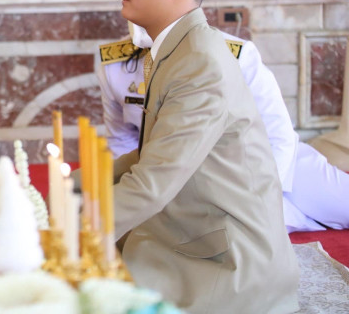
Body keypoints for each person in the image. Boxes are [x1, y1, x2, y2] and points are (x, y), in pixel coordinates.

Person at [113, 0, 299, 313]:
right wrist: (77, 183)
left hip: (228, 259)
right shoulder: (183, 46)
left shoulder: (199, 61)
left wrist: (70, 224)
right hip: (199, 225)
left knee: (83, 286)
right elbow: (153, 154)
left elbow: (151, 184)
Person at [99, 22, 349, 233]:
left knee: (341, 205)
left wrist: (266, 197)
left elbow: (278, 134)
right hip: (198, 181)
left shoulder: (234, 54)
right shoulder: (115, 64)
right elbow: (122, 141)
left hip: (276, 164)